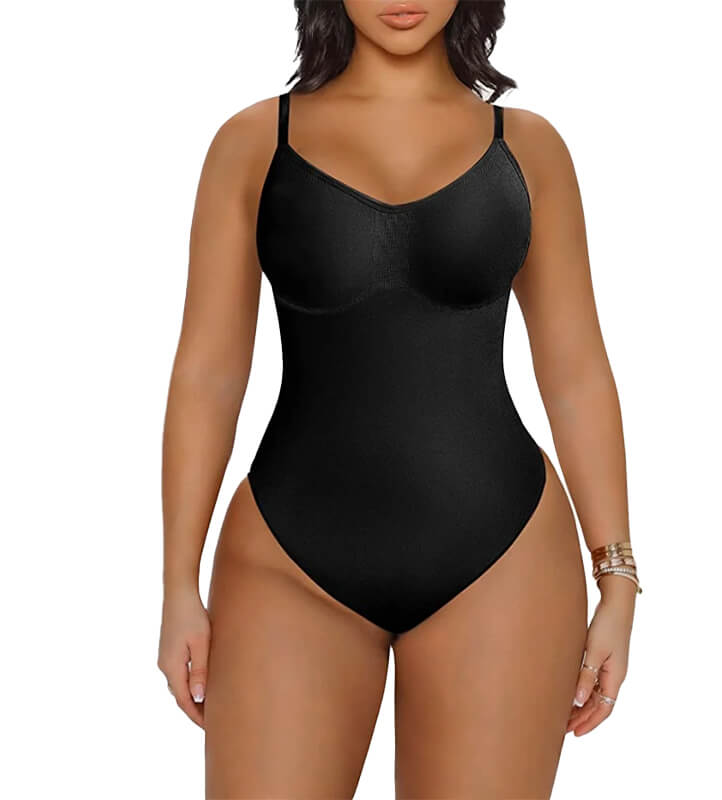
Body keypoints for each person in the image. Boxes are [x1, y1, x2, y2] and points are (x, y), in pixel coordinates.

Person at [158, 1, 641, 797]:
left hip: (503, 559)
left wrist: (616, 575)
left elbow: (576, 369)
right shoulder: (252, 143)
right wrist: (178, 582)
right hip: (286, 562)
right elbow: (208, 373)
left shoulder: (529, 149)